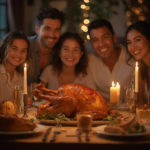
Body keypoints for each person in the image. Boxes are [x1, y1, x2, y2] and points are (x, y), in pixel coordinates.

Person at [87, 19, 134, 102]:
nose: (101, 44)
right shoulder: (89, 62)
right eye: (95, 40)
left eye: (105, 37)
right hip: (103, 113)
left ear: (114, 37)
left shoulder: (132, 59)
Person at [28, 7, 65, 84]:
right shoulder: (24, 46)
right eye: (47, 29)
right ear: (37, 29)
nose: (52, 35)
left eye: (56, 30)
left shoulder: (62, 52)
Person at [0, 31, 30, 103]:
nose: (18, 54)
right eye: (14, 48)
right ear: (5, 48)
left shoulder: (21, 77)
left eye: (23, 51)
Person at [125, 21, 150, 104]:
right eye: (129, 42)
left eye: (138, 40)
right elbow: (139, 103)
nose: (133, 47)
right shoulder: (140, 68)